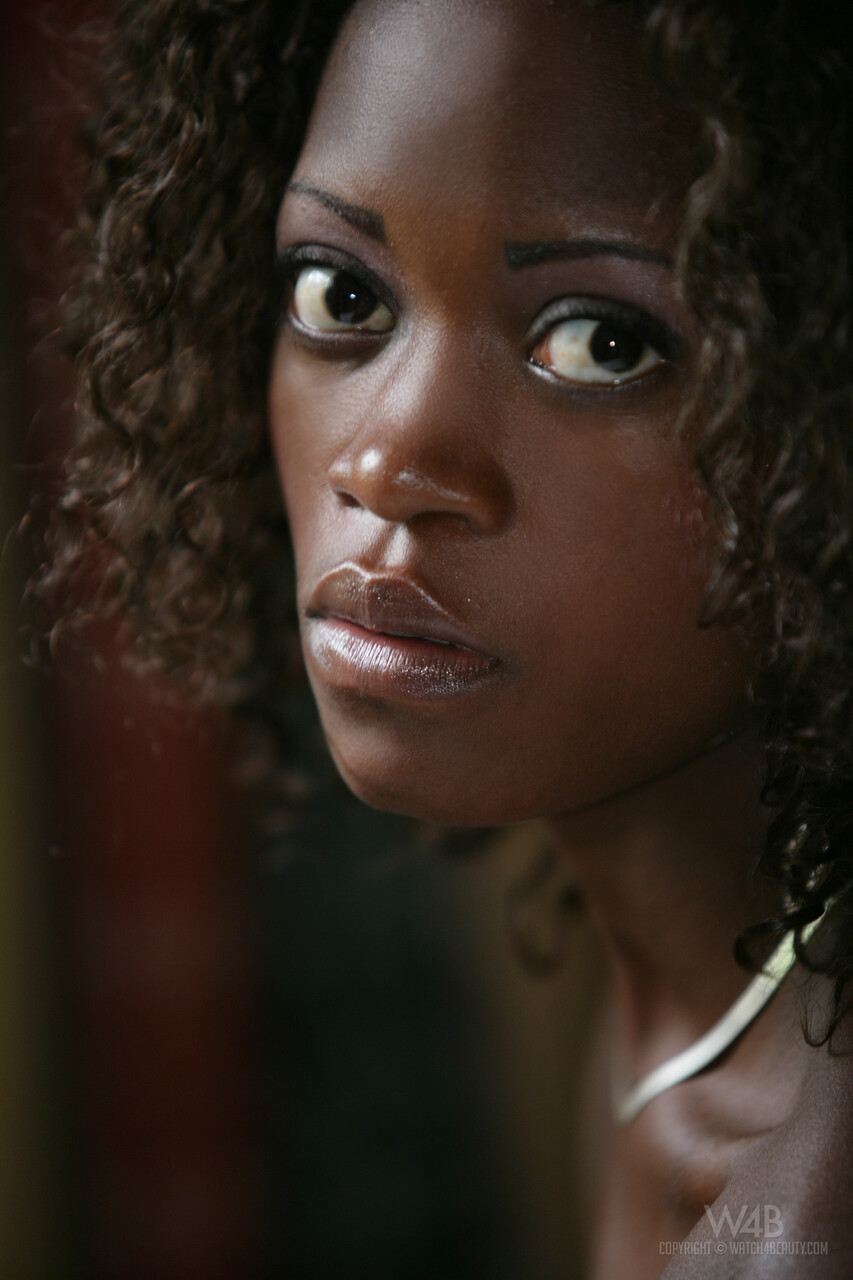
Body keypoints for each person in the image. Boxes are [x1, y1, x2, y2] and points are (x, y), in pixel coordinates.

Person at [32, 0, 853, 1275]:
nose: (389, 460)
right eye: (341, 292)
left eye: (601, 341)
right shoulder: (690, 1018)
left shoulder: (806, 1210)